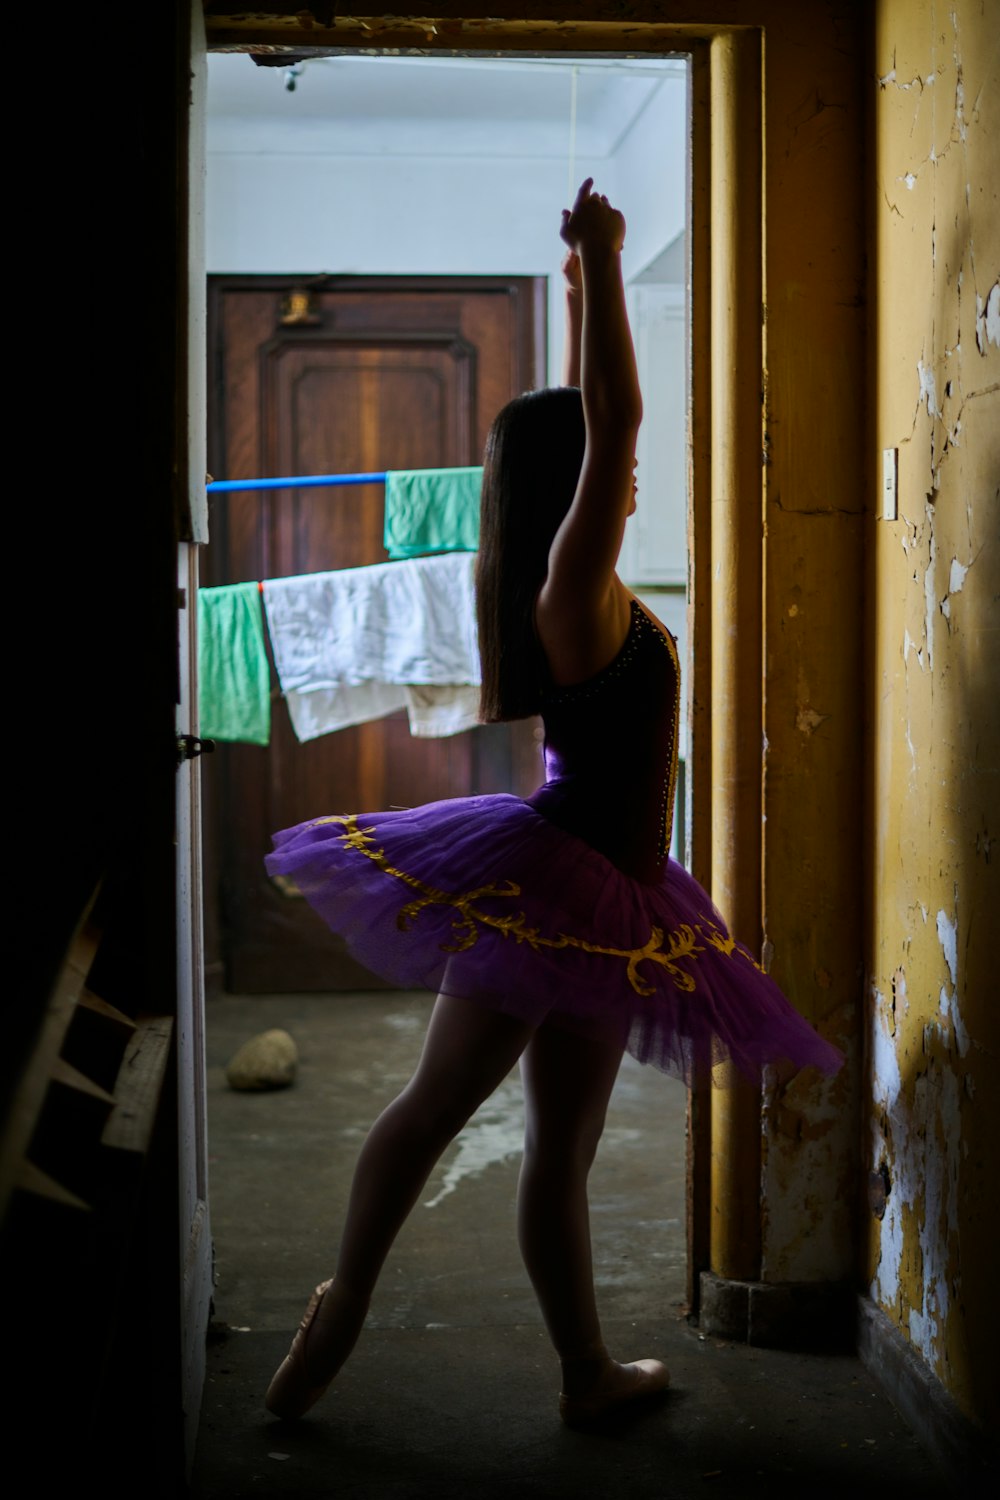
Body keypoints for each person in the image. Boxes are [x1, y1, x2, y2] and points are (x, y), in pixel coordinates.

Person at [262, 179, 843, 1428]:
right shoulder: (568, 596)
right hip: (556, 881)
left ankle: (586, 1375)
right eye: (599, 468)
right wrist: (606, 259)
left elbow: (601, 427)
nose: (623, 479)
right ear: (573, 481)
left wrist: (579, 293)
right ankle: (341, 1308)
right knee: (434, 1114)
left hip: (614, 891)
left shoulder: (581, 586)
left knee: (556, 1154)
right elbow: (617, 421)